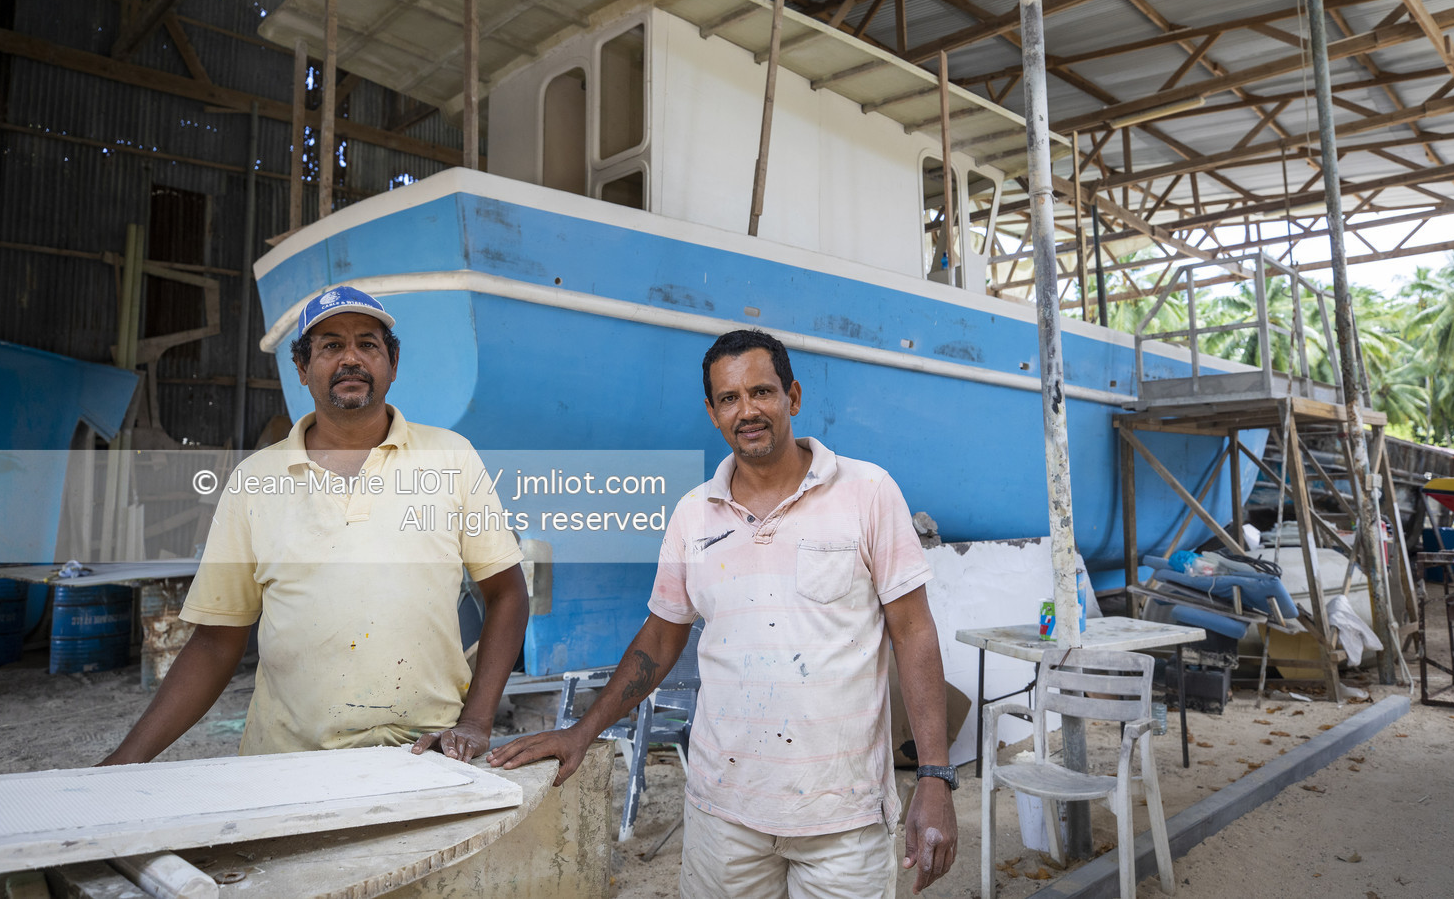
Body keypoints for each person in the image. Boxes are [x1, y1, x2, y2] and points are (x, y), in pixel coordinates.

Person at [491, 329, 957, 896]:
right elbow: (660, 638)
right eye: (729, 399)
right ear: (712, 413)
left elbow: (914, 634)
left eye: (761, 392)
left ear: (794, 396)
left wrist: (935, 777)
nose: (748, 411)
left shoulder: (868, 492)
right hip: (723, 816)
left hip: (844, 817)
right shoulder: (693, 515)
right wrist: (583, 731)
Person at [101, 286, 528, 764]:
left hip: (427, 752)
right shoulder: (253, 481)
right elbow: (216, 643)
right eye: (330, 346)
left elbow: (507, 594)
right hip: (289, 761)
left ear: (393, 362)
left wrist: (475, 721)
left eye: (367, 344)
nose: (351, 359)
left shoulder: (453, 457)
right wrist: (124, 762)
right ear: (302, 369)